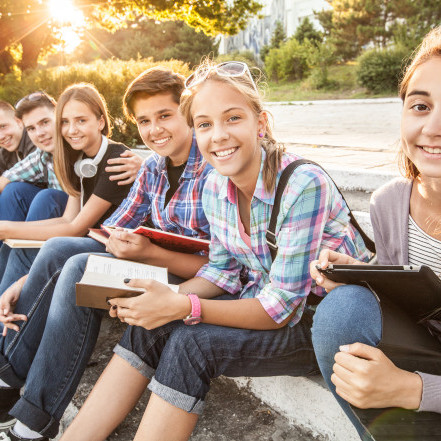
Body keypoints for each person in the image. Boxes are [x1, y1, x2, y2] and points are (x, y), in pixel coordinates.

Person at [58, 60, 371, 441]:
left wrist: (183, 305)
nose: (218, 136)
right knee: (150, 324)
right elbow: (222, 272)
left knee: (193, 343)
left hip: (318, 324)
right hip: (262, 301)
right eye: (204, 124)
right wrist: (158, 299)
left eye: (233, 118)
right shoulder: (215, 188)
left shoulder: (302, 183)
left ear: (262, 123)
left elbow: (281, 309)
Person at [0, 67, 212, 441]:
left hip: (190, 278)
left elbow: (225, 266)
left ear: (189, 113)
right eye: (145, 121)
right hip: (147, 259)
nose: (154, 129)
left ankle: (31, 420)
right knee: (59, 248)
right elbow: (112, 227)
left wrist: (148, 251)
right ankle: (6, 377)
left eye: (165, 116)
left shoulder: (211, 166)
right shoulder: (152, 168)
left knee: (80, 264)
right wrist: (25, 279)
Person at [310, 26, 441, 441]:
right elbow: (404, 287)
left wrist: (412, 389)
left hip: (425, 379)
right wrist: (364, 273)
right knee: (342, 310)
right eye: (421, 106)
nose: (433, 128)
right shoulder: (389, 202)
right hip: (428, 348)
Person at [0, 91, 142, 282]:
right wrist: (7, 229)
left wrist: (6, 229)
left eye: (81, 121)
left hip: (115, 245)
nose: (71, 130)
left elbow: (75, 228)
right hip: (90, 236)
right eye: (65, 122)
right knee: (15, 198)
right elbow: (68, 219)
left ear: (100, 122)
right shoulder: (78, 159)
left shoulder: (116, 159)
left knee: (52, 242)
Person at [0, 101, 35, 175]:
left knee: (15, 186)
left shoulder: (35, 140)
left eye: (3, 126)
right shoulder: (4, 153)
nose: (1, 137)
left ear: (18, 122)